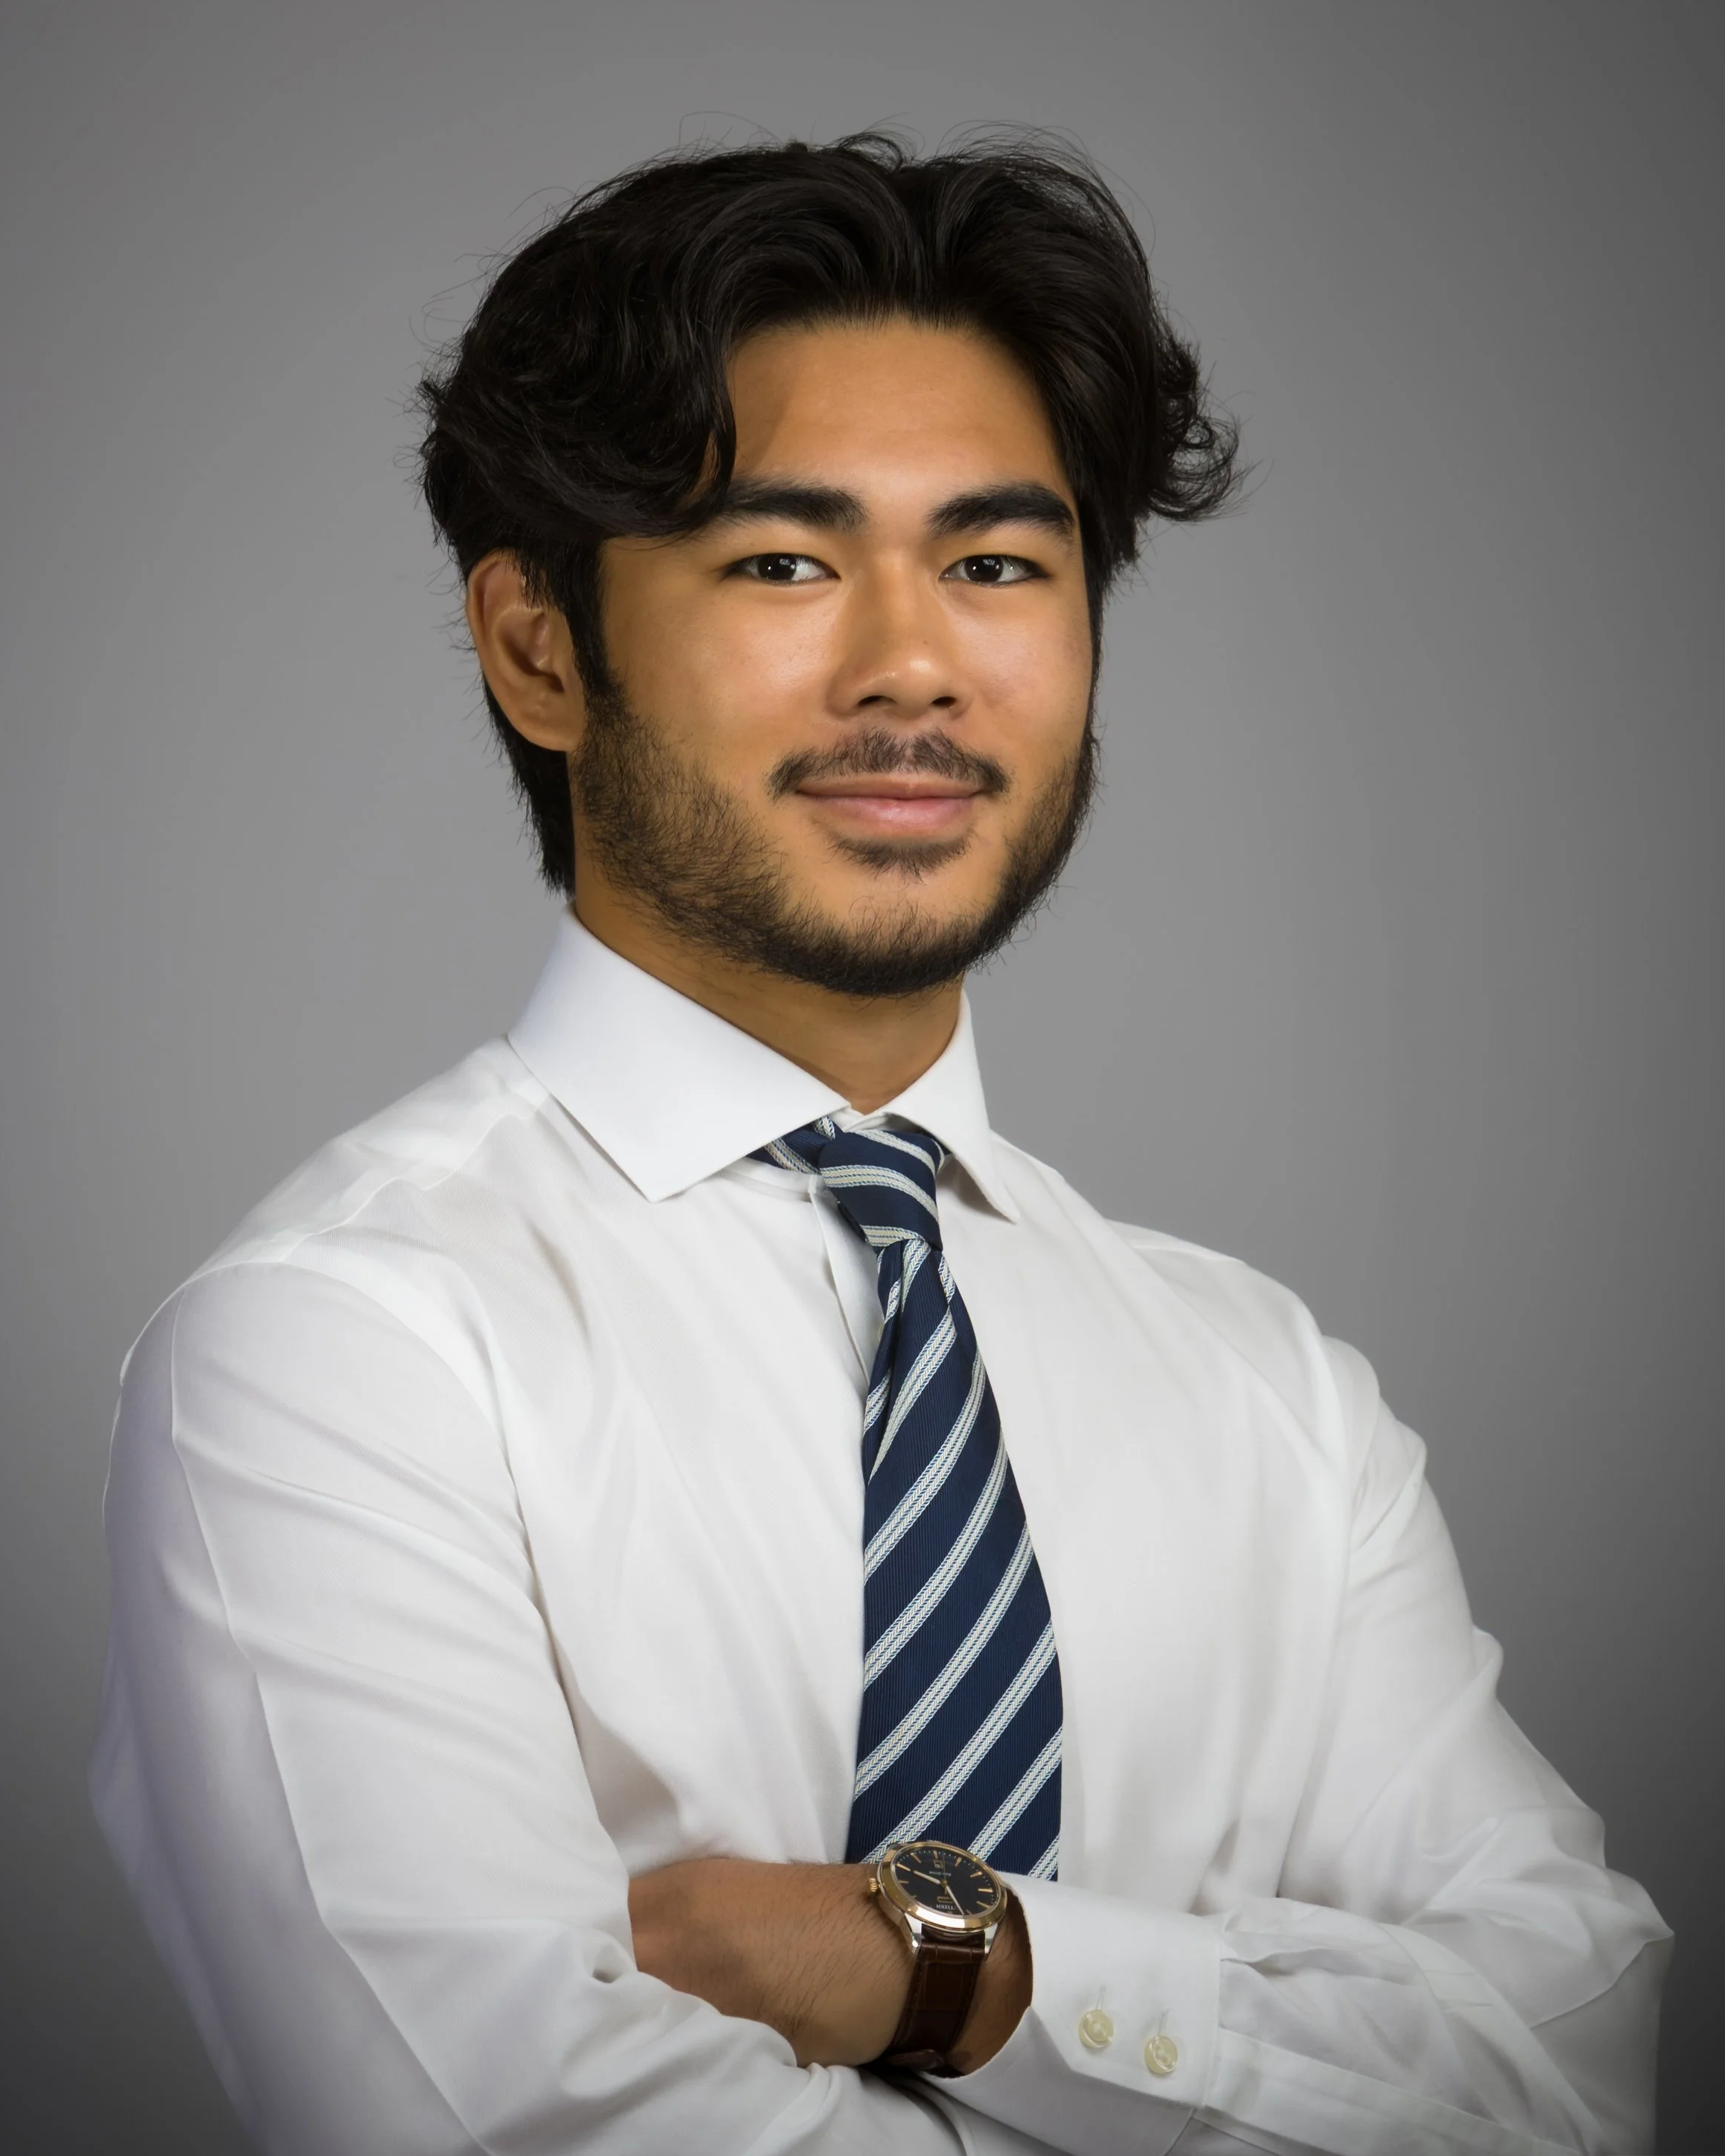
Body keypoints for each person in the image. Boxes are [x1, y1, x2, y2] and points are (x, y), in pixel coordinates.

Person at [91, 133, 1669, 2156]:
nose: (915, 663)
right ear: (538, 649)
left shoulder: (1275, 1396)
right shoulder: (338, 1358)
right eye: (785, 562)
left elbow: (1583, 2060)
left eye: (1000, 562)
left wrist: (974, 1964)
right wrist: (1255, 2054)